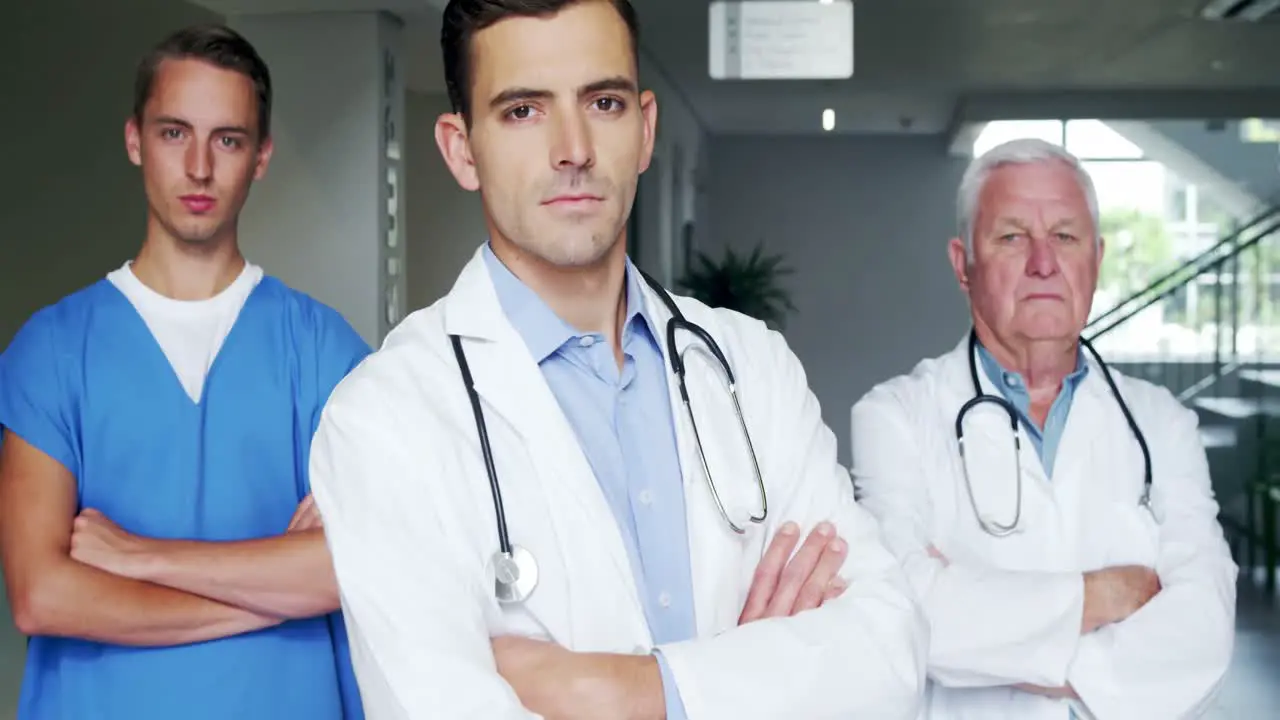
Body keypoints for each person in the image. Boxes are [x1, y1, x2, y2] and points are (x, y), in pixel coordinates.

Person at [307, 0, 928, 717]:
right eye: (523, 111)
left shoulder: (750, 367)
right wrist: (752, 680)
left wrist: (617, 689)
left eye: (603, 102)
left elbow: (889, 653)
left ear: (645, 130)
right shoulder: (384, 418)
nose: (572, 147)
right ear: (461, 150)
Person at [0, 24, 369, 720]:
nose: (199, 167)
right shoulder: (51, 352)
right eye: (175, 134)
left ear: (260, 157)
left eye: (227, 139)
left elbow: (364, 567)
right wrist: (274, 593)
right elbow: (42, 594)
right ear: (135, 140)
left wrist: (140, 557)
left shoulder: (325, 351)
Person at [849, 138, 1238, 719]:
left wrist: (989, 628)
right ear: (963, 265)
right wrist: (1106, 595)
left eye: (1065, 236)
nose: (1043, 263)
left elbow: (1205, 626)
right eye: (1011, 237)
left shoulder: (1161, 422)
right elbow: (903, 613)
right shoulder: (897, 417)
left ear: (1096, 259)